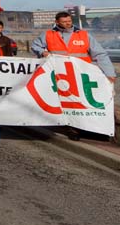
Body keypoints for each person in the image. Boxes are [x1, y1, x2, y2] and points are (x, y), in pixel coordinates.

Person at [32, 11, 116, 140]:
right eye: (64, 22)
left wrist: (109, 73)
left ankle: (86, 127)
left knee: (81, 102)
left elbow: (100, 54)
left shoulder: (83, 35)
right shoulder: (48, 34)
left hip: (81, 76)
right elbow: (35, 46)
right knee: (65, 103)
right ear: (57, 22)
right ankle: (70, 128)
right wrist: (42, 52)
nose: (68, 23)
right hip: (60, 76)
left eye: (69, 21)